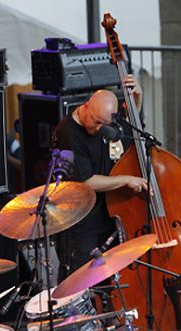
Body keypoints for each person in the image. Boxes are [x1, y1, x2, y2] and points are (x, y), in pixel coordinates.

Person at [54, 75, 148, 272]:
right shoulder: (68, 133)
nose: (98, 128)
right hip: (82, 221)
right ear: (86, 106)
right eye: (95, 122)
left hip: (109, 215)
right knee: (81, 278)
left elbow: (129, 136)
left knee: (109, 277)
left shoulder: (104, 122)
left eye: (103, 125)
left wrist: (135, 104)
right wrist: (126, 179)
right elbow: (85, 181)